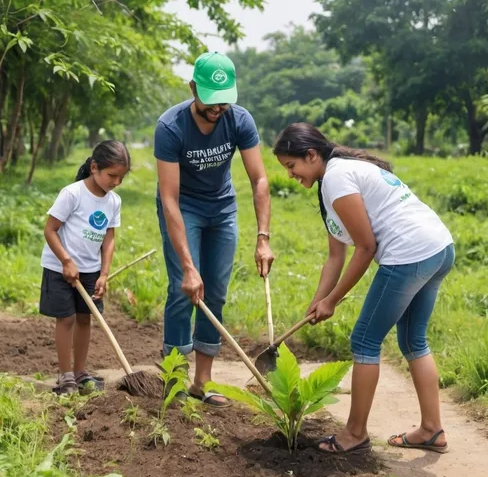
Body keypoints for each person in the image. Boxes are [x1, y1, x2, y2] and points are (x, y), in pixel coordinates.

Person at [273, 123, 454, 454]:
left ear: (311, 155)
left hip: (409, 254)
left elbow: (366, 247)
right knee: (413, 340)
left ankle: (355, 433)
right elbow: (335, 254)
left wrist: (334, 300)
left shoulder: (337, 179)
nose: (290, 175)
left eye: (291, 165)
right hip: (438, 248)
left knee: (364, 340)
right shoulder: (335, 178)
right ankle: (432, 430)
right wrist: (319, 300)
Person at [154, 51, 274, 407]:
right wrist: (189, 267)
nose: (217, 107)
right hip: (183, 207)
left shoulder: (239, 120)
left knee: (215, 292)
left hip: (222, 209)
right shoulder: (171, 127)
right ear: (193, 88)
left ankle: (202, 381)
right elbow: (170, 198)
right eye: (210, 98)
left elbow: (260, 180)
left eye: (224, 100)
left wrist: (263, 238)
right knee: (184, 289)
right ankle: (175, 377)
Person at [39, 141, 130, 395]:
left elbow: (109, 238)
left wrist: (104, 273)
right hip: (60, 268)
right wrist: (67, 261)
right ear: (94, 167)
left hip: (90, 270)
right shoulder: (73, 194)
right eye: (112, 175)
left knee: (84, 318)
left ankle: (80, 373)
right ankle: (65, 375)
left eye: (121, 178)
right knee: (65, 318)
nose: (116, 182)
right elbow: (50, 230)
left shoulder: (113, 201)